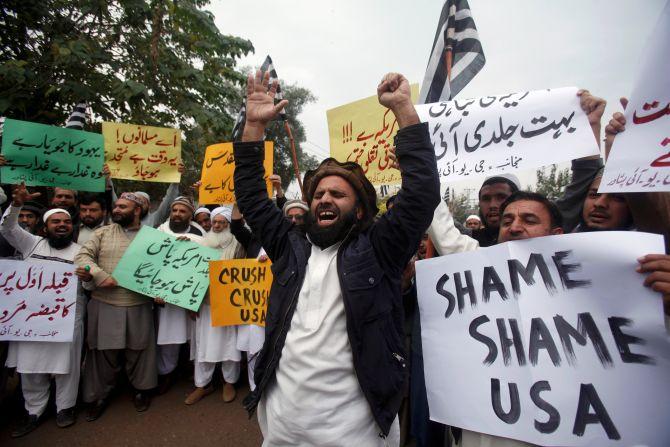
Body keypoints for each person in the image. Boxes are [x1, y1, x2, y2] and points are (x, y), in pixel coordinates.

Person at [234, 70, 439, 445]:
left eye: (338, 195)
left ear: (360, 211)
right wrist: (252, 129)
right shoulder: (290, 245)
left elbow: (421, 194)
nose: (325, 199)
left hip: (353, 431)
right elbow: (250, 196)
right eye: (319, 194)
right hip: (282, 425)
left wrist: (404, 110)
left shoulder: (379, 250)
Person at [1, 183, 90, 436]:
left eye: (66, 222)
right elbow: (7, 228)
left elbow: (91, 283)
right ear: (45, 227)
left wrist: (87, 275)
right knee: (31, 367)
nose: (62, 225)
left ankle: (65, 407)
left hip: (68, 320)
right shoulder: (32, 245)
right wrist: (16, 204)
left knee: (67, 367)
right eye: (56, 221)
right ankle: (34, 410)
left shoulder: (81, 252)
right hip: (30, 321)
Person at [74, 192, 158, 421]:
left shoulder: (153, 236)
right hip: (105, 302)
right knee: (103, 353)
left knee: (139, 351)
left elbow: (167, 266)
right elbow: (82, 257)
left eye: (123, 206)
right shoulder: (102, 233)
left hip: (138, 304)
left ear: (137, 210)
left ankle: (142, 390)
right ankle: (98, 395)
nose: (117, 210)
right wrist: (99, 275)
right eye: (116, 206)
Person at [187, 205, 243, 405]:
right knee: (204, 345)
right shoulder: (202, 243)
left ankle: (229, 382)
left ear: (228, 224)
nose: (217, 226)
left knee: (229, 345)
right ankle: (202, 384)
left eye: (222, 222)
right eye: (214, 222)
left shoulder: (238, 245)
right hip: (205, 302)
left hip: (229, 303)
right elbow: (189, 274)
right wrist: (190, 303)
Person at [154, 196, 203, 390]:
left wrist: (189, 244)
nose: (177, 214)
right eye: (175, 210)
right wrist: (155, 291)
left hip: (189, 294)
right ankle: (166, 373)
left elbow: (204, 263)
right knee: (168, 337)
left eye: (182, 211)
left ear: (190, 214)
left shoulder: (199, 233)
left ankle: (193, 371)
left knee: (193, 335)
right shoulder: (160, 231)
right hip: (165, 295)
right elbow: (152, 261)